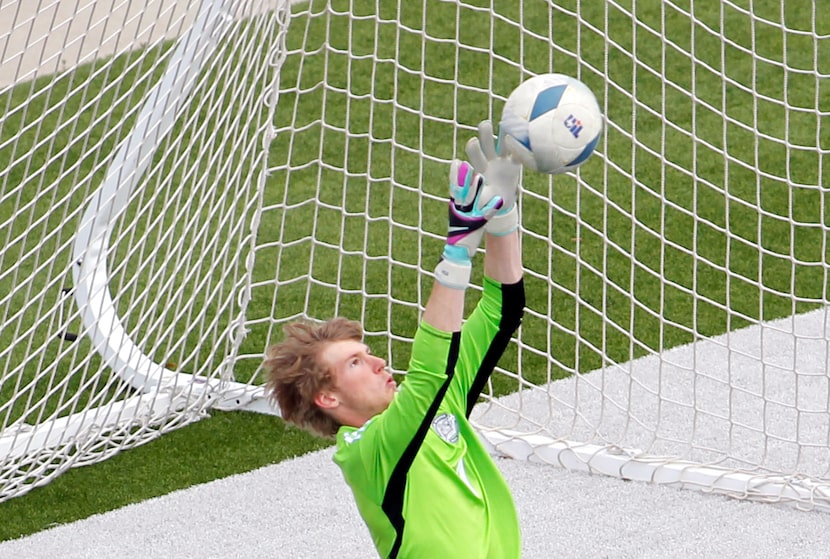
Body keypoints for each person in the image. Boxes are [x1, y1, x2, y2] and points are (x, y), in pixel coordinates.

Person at [263, 121, 525, 559]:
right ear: (327, 398)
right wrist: (456, 256)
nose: (379, 362)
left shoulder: (436, 404)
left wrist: (502, 219)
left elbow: (503, 311)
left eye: (366, 354)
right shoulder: (366, 453)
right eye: (354, 363)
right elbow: (427, 374)